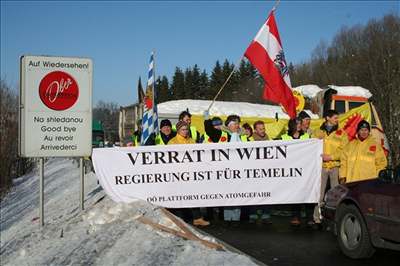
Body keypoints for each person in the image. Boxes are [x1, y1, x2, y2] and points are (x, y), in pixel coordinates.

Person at [167, 121, 210, 226]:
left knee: (193, 195)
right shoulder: (172, 142)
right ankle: (180, 219)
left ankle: (197, 218)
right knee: (180, 196)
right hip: (178, 174)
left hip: (191, 174)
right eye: (183, 129)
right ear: (178, 130)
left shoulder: (191, 140)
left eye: (187, 129)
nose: (185, 131)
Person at [312, 110, 348, 227]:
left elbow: (344, 151)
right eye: (335, 118)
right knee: (319, 194)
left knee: (336, 195)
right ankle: (317, 217)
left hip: (335, 167)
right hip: (321, 167)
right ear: (327, 118)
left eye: (337, 118)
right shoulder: (318, 131)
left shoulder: (341, 133)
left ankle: (336, 219)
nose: (337, 120)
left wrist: (331, 157)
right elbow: (310, 146)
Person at [281, 118, 310, 226]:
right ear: (291, 125)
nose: (299, 125)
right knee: (295, 194)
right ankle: (295, 216)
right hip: (291, 170)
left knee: (308, 192)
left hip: (305, 169)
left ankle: (309, 217)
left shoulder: (306, 136)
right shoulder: (285, 137)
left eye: (300, 124)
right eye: (297, 124)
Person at [223, 115, 248, 225]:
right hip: (227, 168)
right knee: (228, 193)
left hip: (240, 167)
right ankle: (228, 217)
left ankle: (236, 218)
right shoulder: (224, 134)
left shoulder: (242, 135)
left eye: (238, 123)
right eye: (234, 124)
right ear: (229, 125)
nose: (236, 126)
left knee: (238, 192)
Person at [248, 120, 271, 224]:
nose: (263, 130)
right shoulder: (250, 139)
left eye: (263, 128)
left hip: (266, 170)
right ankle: (253, 214)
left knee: (266, 193)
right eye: (260, 129)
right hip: (253, 170)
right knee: (253, 193)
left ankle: (266, 214)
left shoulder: (268, 138)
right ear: (255, 130)